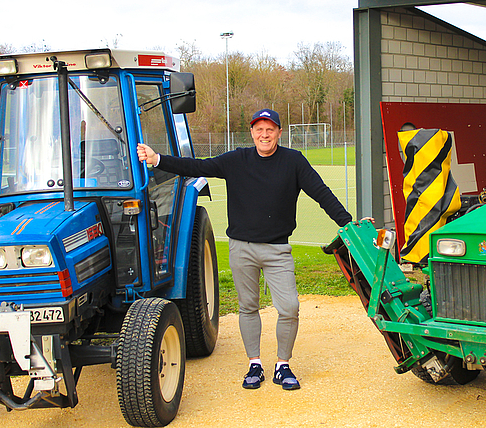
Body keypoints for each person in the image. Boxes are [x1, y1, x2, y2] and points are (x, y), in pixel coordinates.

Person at [137, 108, 353, 391]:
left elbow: (321, 193)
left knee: (289, 307)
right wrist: (157, 160)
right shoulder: (236, 160)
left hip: (278, 250)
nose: (264, 135)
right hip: (242, 250)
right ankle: (254, 364)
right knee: (248, 307)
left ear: (278, 132)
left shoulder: (293, 161)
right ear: (252, 132)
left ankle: (282, 365)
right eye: (259, 129)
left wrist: (348, 223)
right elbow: (197, 166)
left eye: (270, 129)